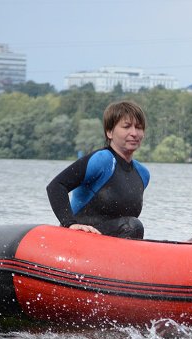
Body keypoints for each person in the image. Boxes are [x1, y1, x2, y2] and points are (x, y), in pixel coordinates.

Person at [47, 100, 150, 239]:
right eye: (126, 127)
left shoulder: (143, 174)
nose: (134, 133)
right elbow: (56, 186)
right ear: (109, 132)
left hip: (110, 244)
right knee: (133, 225)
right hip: (77, 239)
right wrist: (70, 224)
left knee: (133, 226)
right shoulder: (103, 160)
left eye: (139, 127)